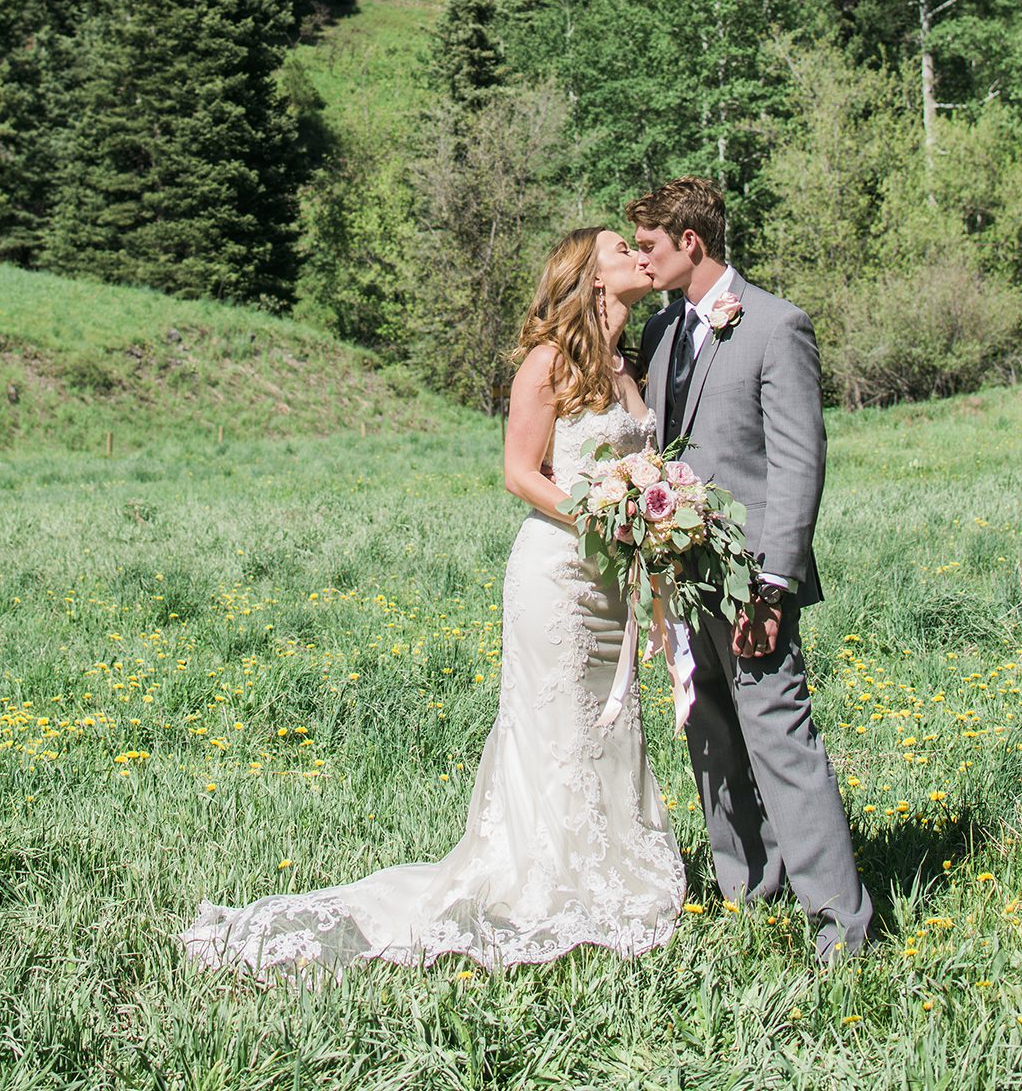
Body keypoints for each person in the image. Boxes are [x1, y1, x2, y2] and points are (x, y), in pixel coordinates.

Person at [180, 226, 685, 979]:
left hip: (613, 584)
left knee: (608, 729)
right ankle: (544, 880)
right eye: (621, 247)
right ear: (592, 276)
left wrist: (647, 532)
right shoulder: (547, 362)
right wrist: (601, 516)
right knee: (554, 729)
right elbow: (519, 471)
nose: (639, 255)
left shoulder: (623, 366)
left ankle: (606, 868)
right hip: (556, 579)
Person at [630, 177, 872, 961]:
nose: (642, 259)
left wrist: (774, 586)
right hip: (680, 576)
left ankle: (843, 927)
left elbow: (800, 467)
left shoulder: (775, 326)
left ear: (691, 243)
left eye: (651, 246)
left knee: (781, 739)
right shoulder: (664, 331)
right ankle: (751, 895)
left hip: (750, 580)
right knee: (709, 739)